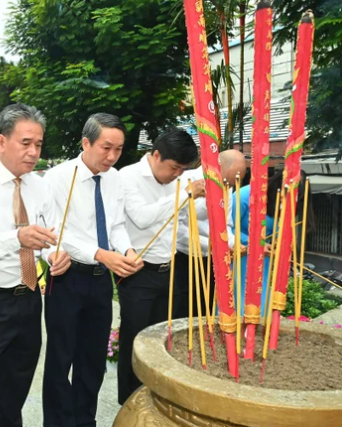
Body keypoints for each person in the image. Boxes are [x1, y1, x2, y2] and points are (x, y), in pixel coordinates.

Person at [0, 103, 71, 427]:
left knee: (14, 393)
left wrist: (53, 254)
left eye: (38, 144)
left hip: (28, 300)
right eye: (26, 143)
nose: (34, 152)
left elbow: (50, 234)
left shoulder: (40, 184)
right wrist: (17, 237)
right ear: (2, 142)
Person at [42, 113, 143, 427]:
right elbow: (56, 231)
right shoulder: (58, 178)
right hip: (67, 278)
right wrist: (101, 253)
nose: (112, 157)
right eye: (105, 148)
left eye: (119, 149)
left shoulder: (115, 178)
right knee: (61, 360)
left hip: (100, 281)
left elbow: (116, 224)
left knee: (93, 360)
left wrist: (126, 250)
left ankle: (84, 420)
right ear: (86, 142)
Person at [117, 127, 203, 405]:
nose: (178, 174)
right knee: (136, 340)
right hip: (138, 273)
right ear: (155, 155)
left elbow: (179, 226)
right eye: (175, 167)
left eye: (183, 169)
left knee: (163, 340)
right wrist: (184, 195)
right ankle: (130, 405)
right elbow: (142, 218)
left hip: (170, 269)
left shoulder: (178, 183)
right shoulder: (128, 177)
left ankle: (156, 400)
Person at [173, 149, 247, 319]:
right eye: (230, 179)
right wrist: (215, 245)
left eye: (236, 180)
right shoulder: (185, 180)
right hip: (183, 257)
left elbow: (225, 225)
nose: (231, 185)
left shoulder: (227, 186)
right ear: (218, 167)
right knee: (182, 312)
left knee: (205, 311)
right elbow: (177, 227)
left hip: (211, 260)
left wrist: (233, 242)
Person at [231, 169, 314, 318]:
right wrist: (254, 243)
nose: (286, 200)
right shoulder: (246, 195)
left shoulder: (288, 203)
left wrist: (277, 241)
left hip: (263, 259)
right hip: (238, 256)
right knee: (238, 300)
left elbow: (278, 228)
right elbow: (225, 228)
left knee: (261, 299)